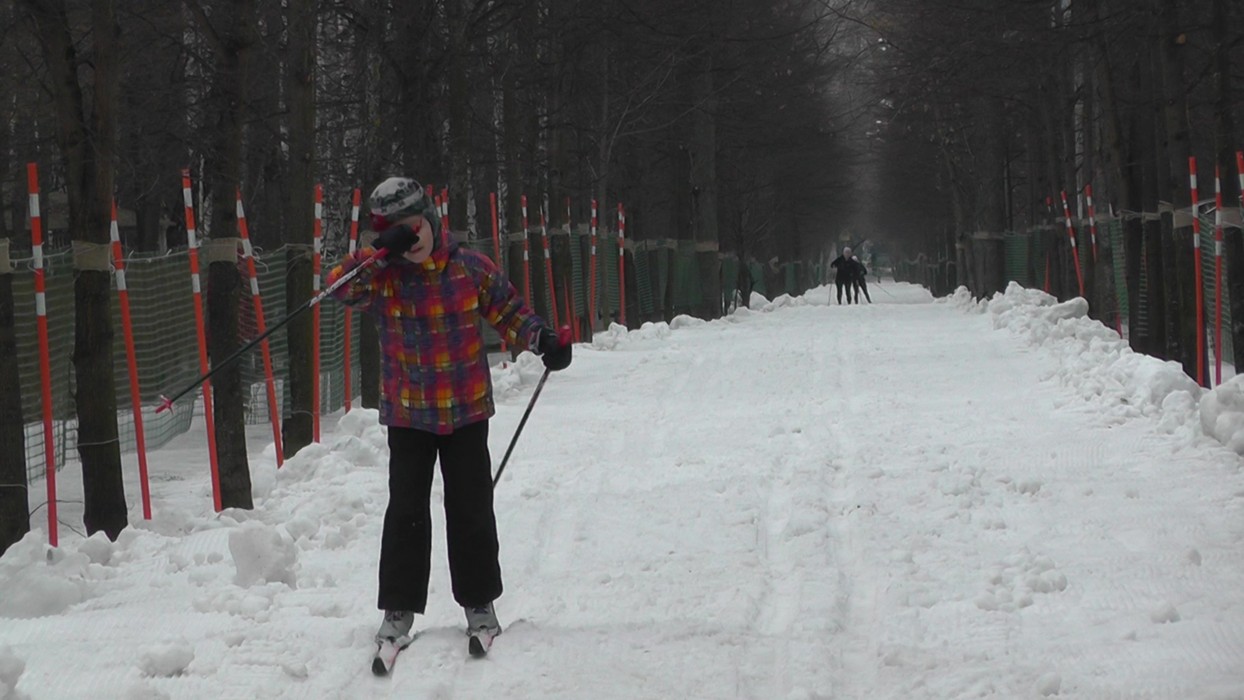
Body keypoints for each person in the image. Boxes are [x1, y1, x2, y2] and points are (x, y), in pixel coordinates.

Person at [326, 176, 572, 654]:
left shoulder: (469, 268)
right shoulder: (383, 276)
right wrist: (378, 253)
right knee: (406, 512)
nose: (408, 239)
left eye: (411, 228)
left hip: (465, 409)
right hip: (408, 414)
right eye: (395, 232)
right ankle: (398, 610)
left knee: (471, 508)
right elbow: (338, 288)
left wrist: (543, 340)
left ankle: (479, 603)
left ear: (431, 220)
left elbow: (508, 310)